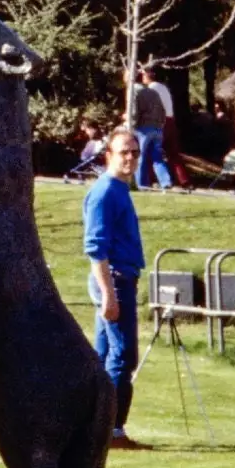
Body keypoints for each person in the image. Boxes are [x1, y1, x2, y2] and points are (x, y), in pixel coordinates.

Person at [83, 128, 148, 448]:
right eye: (124, 152)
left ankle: (93, 427)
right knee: (123, 357)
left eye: (135, 152)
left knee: (105, 356)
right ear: (108, 154)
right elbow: (95, 248)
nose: (131, 158)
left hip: (122, 279)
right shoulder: (105, 192)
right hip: (114, 281)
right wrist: (108, 294)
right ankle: (112, 431)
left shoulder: (120, 190)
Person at [141, 63, 191, 190]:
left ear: (150, 74)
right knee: (173, 153)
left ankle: (151, 180)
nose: (142, 76)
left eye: (144, 73)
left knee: (151, 150)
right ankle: (184, 180)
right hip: (170, 120)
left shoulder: (151, 89)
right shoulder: (164, 87)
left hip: (161, 121)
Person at [131, 73, 172, 190]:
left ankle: (141, 183)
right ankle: (165, 181)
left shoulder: (134, 91)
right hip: (157, 128)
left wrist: (131, 125)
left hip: (143, 128)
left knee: (140, 156)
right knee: (157, 157)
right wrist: (160, 125)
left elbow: (134, 112)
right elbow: (162, 110)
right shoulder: (153, 92)